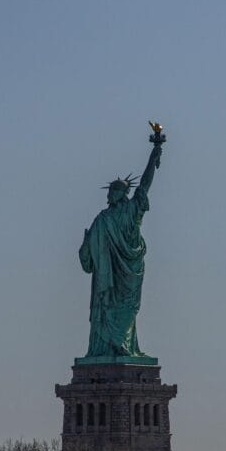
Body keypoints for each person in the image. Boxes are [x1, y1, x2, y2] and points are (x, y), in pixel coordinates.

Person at [79, 138, 162, 358]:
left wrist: (152, 159)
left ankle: (122, 345)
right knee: (113, 309)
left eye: (113, 191)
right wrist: (86, 243)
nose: (109, 195)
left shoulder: (127, 212)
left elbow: (144, 185)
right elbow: (87, 261)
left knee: (126, 310)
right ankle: (114, 347)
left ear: (120, 194)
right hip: (114, 277)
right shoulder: (102, 220)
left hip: (128, 272)